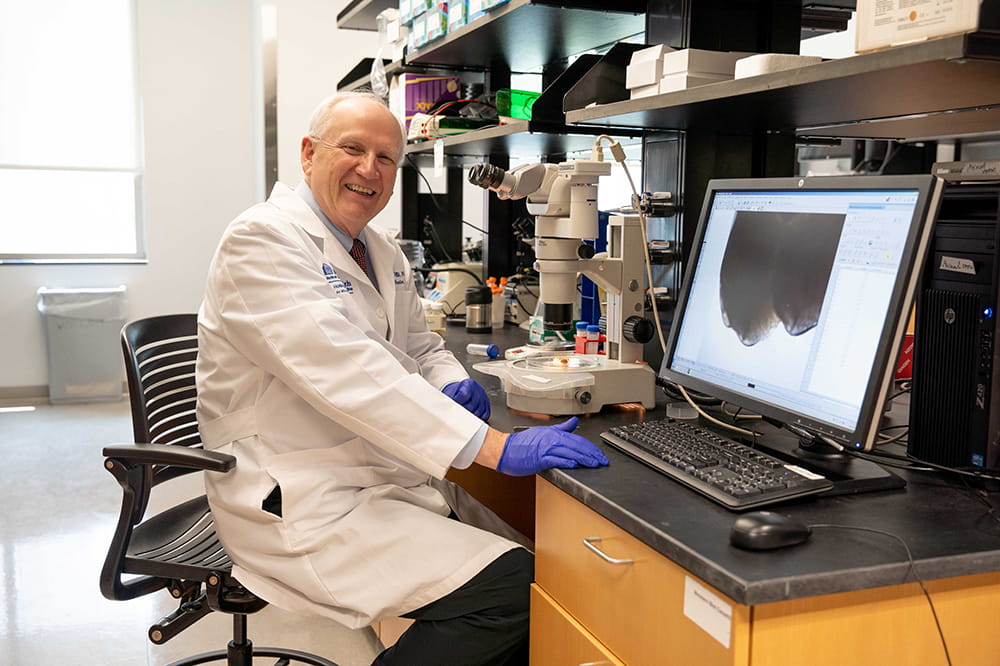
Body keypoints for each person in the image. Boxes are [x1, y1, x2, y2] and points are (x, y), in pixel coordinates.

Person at [195, 90, 609, 666]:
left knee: (545, 575)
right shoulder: (261, 241)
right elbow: (347, 373)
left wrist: (446, 384)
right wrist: (494, 448)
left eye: (387, 158)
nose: (370, 170)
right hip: (295, 494)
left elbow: (419, 345)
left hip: (370, 473)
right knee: (512, 591)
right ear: (309, 154)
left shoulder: (380, 250)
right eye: (353, 149)